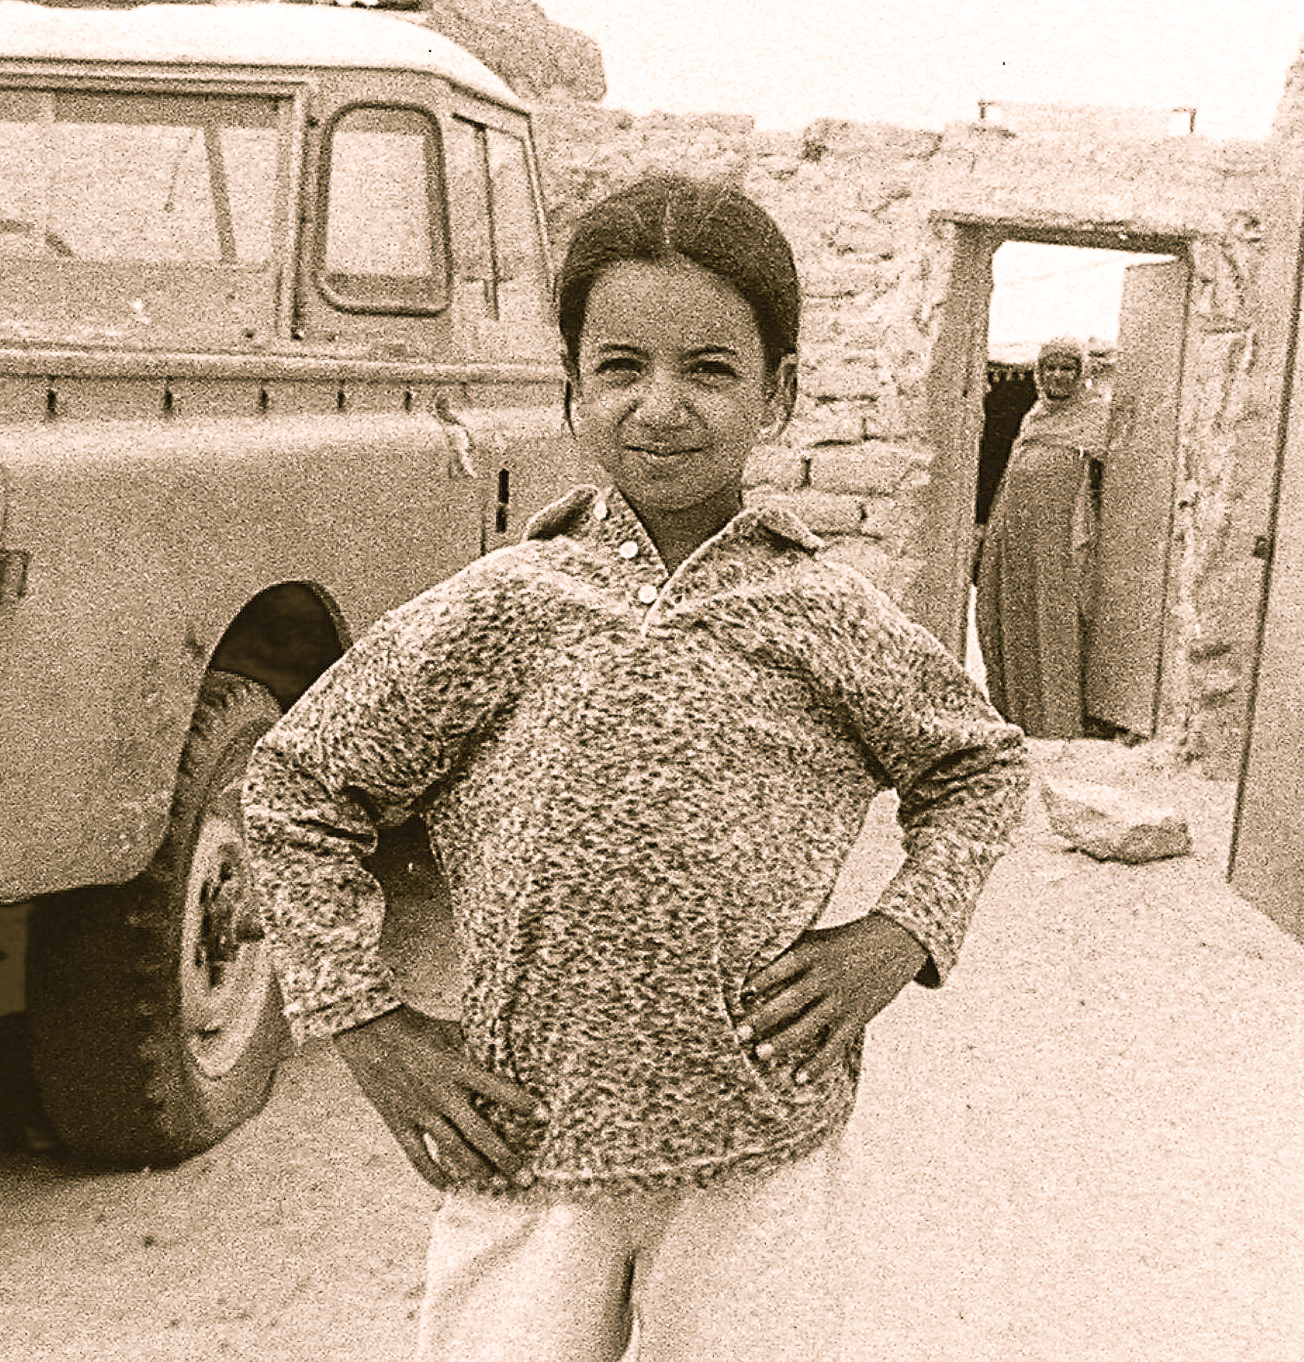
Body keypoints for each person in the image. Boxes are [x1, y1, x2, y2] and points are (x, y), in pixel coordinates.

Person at [243, 173, 1027, 1362]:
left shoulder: (825, 614)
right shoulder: (503, 604)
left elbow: (978, 767)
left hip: (760, 1142)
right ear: (572, 389)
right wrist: (362, 1018)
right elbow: (298, 785)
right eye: (620, 367)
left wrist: (899, 934)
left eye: (709, 369)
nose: (661, 405)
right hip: (525, 1143)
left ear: (778, 393)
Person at [973, 335, 1112, 739]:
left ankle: (1059, 720)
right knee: (1014, 619)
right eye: (1051, 367)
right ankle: (1018, 713)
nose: (1059, 376)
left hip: (1061, 545)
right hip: (1017, 540)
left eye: (1068, 368)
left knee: (1056, 621)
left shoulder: (1097, 417)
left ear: (1081, 373)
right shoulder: (1032, 417)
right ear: (1039, 373)